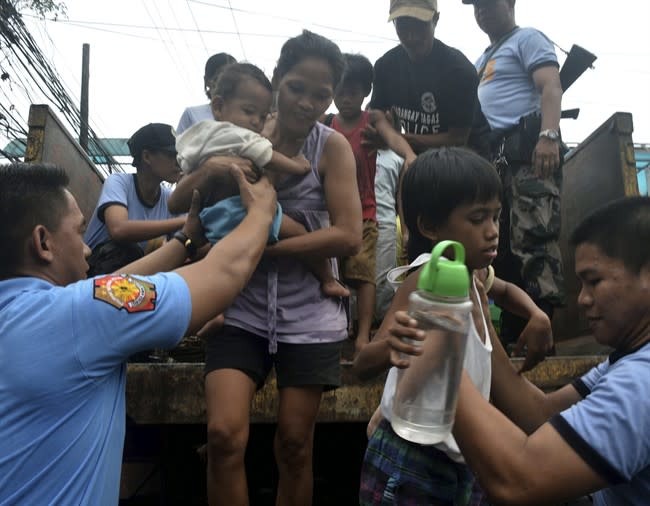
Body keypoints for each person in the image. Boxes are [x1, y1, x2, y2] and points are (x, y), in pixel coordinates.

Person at [0, 162, 277, 505]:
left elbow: (112, 292)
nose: (88, 248)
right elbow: (224, 273)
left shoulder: (38, 316)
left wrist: (185, 242)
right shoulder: (78, 316)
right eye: (78, 231)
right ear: (43, 242)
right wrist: (262, 213)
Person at [169, 30, 362, 506]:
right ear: (276, 80)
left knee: (295, 445)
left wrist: (262, 246)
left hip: (309, 318)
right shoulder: (241, 131)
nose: (307, 103)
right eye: (296, 87)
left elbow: (349, 235)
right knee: (223, 437)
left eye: (321, 94)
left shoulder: (331, 148)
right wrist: (211, 172)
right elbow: (176, 199)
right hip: (239, 310)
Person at [410, 196, 650, 505]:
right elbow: (540, 415)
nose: (582, 300)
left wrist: (441, 351)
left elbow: (518, 482)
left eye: (595, 281)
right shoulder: (626, 360)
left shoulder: (641, 382)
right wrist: (480, 317)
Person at [353, 147, 552, 505]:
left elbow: (505, 291)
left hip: (463, 459)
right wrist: (392, 344)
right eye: (477, 219)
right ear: (429, 226)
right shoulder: (427, 277)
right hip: (413, 459)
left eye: (496, 217)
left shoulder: (474, 276)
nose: (492, 232)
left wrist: (537, 314)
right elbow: (364, 363)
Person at [175, 62, 347, 299]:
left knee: (218, 268)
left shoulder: (201, 135)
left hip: (211, 219)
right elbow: (268, 156)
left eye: (262, 115)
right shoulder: (241, 136)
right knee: (298, 232)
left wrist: (205, 170)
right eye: (248, 112)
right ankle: (328, 279)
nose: (256, 121)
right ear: (218, 106)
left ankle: (215, 313)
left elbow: (182, 177)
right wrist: (298, 166)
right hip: (241, 210)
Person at [463, 0, 565, 343]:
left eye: (489, 3)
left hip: (528, 155)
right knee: (500, 246)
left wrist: (549, 136)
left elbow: (550, 86)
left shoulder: (528, 39)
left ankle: (541, 325)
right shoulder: (482, 59)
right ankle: (515, 326)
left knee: (533, 238)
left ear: (510, 3)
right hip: (494, 160)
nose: (481, 11)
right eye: (476, 6)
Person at [329, 53, 417, 352]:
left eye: (353, 91)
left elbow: (393, 139)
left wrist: (410, 156)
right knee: (335, 273)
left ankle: (364, 332)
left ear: (366, 90)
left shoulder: (373, 119)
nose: (346, 98)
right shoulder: (327, 123)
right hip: (331, 213)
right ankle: (342, 327)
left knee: (364, 275)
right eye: (340, 91)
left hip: (364, 212)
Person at [367, 0, 479, 154]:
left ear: (436, 19)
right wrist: (386, 133)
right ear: (393, 22)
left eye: (420, 24)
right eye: (403, 25)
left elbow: (458, 138)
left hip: (465, 161)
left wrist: (396, 139)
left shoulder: (460, 72)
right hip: (418, 158)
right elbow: (377, 116)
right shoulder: (384, 67)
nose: (411, 36)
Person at [84, 122, 185, 275]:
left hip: (130, 281)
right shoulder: (119, 182)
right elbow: (118, 230)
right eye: (172, 155)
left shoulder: (170, 198)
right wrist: (183, 221)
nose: (178, 163)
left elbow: (190, 241)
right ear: (146, 156)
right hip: (93, 272)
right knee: (126, 249)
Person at [176, 52, 237, 135]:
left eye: (233, 79)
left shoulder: (244, 115)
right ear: (207, 81)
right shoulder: (192, 114)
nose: (228, 85)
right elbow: (178, 146)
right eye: (220, 78)